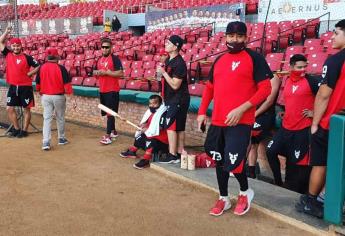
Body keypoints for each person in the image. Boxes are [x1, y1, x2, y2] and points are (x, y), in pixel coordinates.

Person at [197, 21, 272, 216]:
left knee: (234, 160)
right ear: (225, 37)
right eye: (231, 36)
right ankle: (223, 198)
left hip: (242, 121)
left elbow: (266, 89)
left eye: (239, 36)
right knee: (219, 159)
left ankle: (245, 192)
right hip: (218, 120)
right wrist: (201, 112)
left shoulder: (255, 58)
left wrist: (243, 109)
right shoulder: (219, 60)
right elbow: (210, 88)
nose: (235, 40)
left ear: (246, 38)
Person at [296, 19, 345, 218]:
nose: (332, 37)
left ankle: (310, 201)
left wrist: (314, 123)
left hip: (330, 122)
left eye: (337, 33)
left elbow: (323, 95)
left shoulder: (335, 60)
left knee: (321, 163)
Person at [266, 54, 320, 193]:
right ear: (291, 67)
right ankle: (278, 182)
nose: (302, 70)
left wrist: (315, 112)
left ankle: (300, 192)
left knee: (299, 165)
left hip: (302, 129)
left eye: (304, 67)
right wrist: (285, 110)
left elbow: (326, 98)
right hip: (286, 127)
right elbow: (291, 100)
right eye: (299, 67)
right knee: (271, 151)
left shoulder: (312, 81)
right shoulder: (287, 80)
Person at [0, 26, 39, 138]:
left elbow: (38, 66)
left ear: (21, 46)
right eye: (14, 46)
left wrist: (30, 74)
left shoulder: (27, 57)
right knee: (9, 108)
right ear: (11, 46)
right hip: (13, 86)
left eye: (18, 45)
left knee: (26, 109)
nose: (16, 47)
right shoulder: (8, 54)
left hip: (25, 87)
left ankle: (25, 130)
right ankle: (17, 129)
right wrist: (6, 32)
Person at [156, 35, 190, 164]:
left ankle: (172, 154)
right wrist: (160, 75)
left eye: (168, 42)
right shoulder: (169, 60)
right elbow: (163, 80)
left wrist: (164, 73)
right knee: (179, 127)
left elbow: (176, 85)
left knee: (171, 126)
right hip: (172, 99)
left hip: (179, 99)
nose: (166, 44)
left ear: (176, 46)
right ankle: (180, 152)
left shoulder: (179, 63)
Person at [35, 48, 72, 150]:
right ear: (57, 57)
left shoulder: (41, 67)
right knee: (60, 117)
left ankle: (46, 142)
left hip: (45, 96)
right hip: (58, 96)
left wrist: (41, 93)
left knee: (47, 119)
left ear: (47, 57)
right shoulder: (61, 68)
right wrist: (70, 96)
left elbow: (37, 84)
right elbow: (67, 85)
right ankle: (61, 138)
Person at [120, 95, 169, 170]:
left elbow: (160, 127)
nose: (152, 105)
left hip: (161, 140)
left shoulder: (163, 113)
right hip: (151, 135)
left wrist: (148, 129)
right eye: (150, 103)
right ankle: (132, 152)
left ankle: (146, 159)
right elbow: (147, 123)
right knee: (139, 137)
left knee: (151, 141)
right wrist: (142, 125)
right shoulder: (150, 112)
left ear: (160, 104)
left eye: (154, 103)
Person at [247, 73, 280, 179]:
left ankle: (237, 167)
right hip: (253, 113)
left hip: (265, 115)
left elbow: (269, 101)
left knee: (250, 140)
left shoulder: (274, 77)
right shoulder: (256, 76)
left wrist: (255, 114)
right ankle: (251, 172)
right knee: (252, 143)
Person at [94, 37, 124, 145]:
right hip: (103, 89)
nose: (105, 49)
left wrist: (107, 73)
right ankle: (113, 131)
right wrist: (97, 73)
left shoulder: (115, 59)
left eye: (107, 47)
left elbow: (121, 73)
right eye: (103, 47)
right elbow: (96, 73)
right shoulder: (99, 59)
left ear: (111, 48)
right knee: (109, 113)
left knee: (110, 113)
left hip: (112, 89)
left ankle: (108, 136)